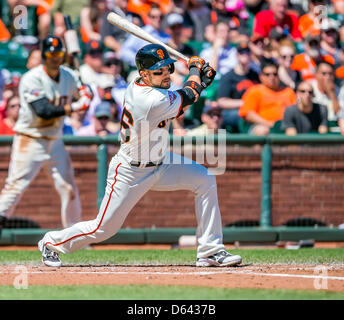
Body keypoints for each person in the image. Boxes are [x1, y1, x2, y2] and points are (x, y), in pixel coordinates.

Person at [37, 43, 243, 268]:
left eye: (168, 69)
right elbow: (188, 96)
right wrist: (196, 73)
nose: (165, 75)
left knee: (205, 179)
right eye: (159, 71)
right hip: (130, 171)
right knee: (103, 228)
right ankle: (50, 242)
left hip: (161, 162)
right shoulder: (148, 99)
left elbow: (184, 98)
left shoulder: (150, 88)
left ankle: (210, 251)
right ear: (144, 74)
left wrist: (200, 80)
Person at [0, 36, 93, 234]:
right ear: (43, 55)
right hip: (30, 138)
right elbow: (44, 110)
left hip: (55, 140)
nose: (54, 59)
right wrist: (76, 105)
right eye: (51, 55)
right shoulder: (32, 78)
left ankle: (73, 235)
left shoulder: (68, 75)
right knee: (15, 188)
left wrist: (87, 92)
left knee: (69, 188)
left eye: (58, 54)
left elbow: (83, 91)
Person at [239, 59, 297, 135]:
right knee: (262, 130)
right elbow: (248, 114)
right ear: (261, 77)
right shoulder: (255, 91)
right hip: (261, 126)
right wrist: (270, 124)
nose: (272, 77)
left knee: (292, 131)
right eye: (267, 74)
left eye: (275, 74)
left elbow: (296, 112)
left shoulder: (288, 91)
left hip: (285, 126)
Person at [217, 41, 260, 132]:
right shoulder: (228, 76)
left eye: (248, 52)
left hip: (254, 110)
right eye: (242, 53)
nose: (245, 55)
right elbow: (222, 102)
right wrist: (245, 103)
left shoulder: (255, 75)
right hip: (235, 111)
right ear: (237, 55)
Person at [311, 61, 344, 132]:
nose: (327, 77)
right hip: (315, 129)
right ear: (316, 75)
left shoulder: (340, 91)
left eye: (330, 74)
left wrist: (332, 94)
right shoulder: (308, 90)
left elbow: (341, 115)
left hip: (335, 129)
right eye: (324, 74)